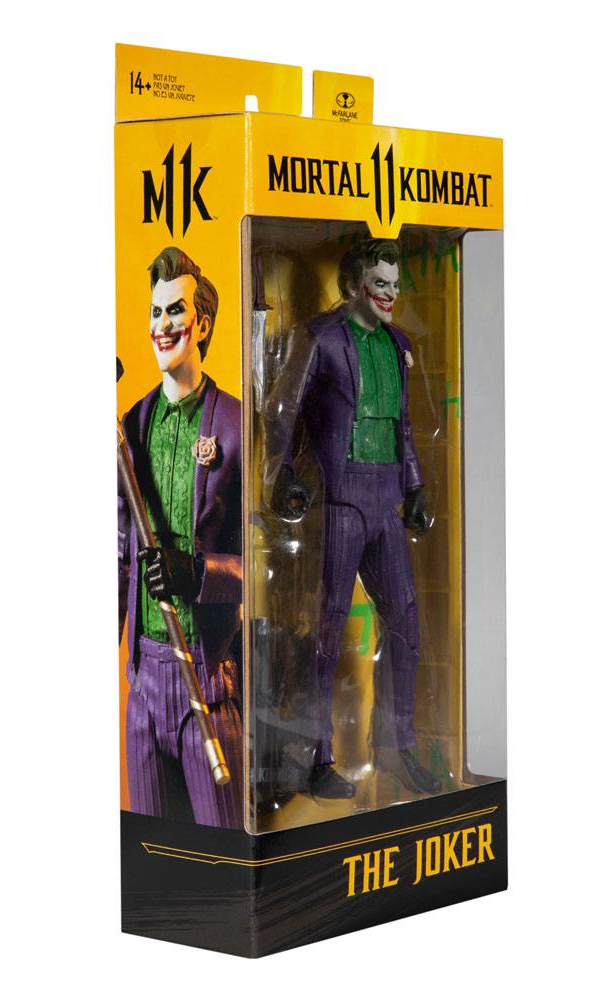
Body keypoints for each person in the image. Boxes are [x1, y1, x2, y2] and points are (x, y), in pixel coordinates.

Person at [267, 238, 442, 798]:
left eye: (395, 284)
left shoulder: (397, 345)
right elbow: (283, 409)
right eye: (380, 283)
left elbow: (403, 425)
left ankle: (398, 745)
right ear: (354, 285)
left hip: (385, 502)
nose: (391, 293)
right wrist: (281, 473)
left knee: (406, 623)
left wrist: (414, 486)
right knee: (329, 626)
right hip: (339, 500)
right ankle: (318, 755)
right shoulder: (320, 338)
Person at [118, 246, 243, 827]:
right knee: (151, 855)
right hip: (144, 680)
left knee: (221, 849)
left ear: (203, 324)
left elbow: (266, 562)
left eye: (175, 310)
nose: (162, 325)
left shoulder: (235, 425)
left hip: (207, 679)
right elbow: (120, 548)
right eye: (155, 311)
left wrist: (199, 574)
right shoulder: (132, 426)